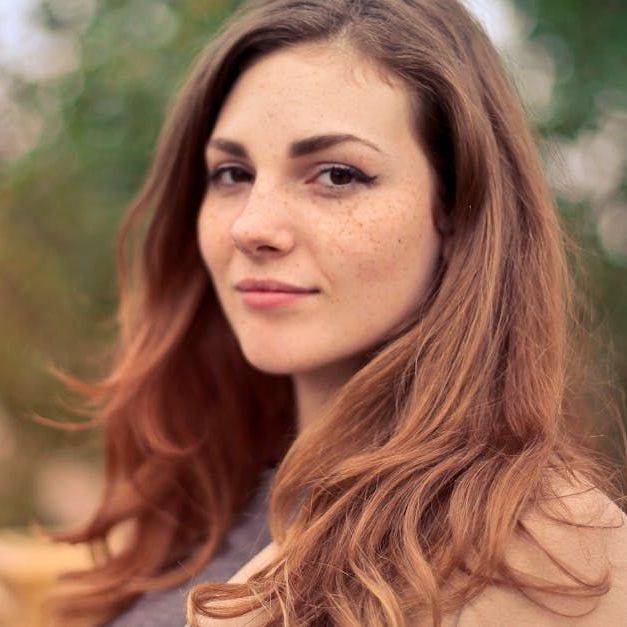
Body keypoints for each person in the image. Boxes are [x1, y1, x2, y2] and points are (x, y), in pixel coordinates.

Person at [46, 0, 627, 625]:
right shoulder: (209, 503)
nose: (252, 226)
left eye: (337, 175)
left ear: (458, 213)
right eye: (232, 173)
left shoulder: (550, 557)